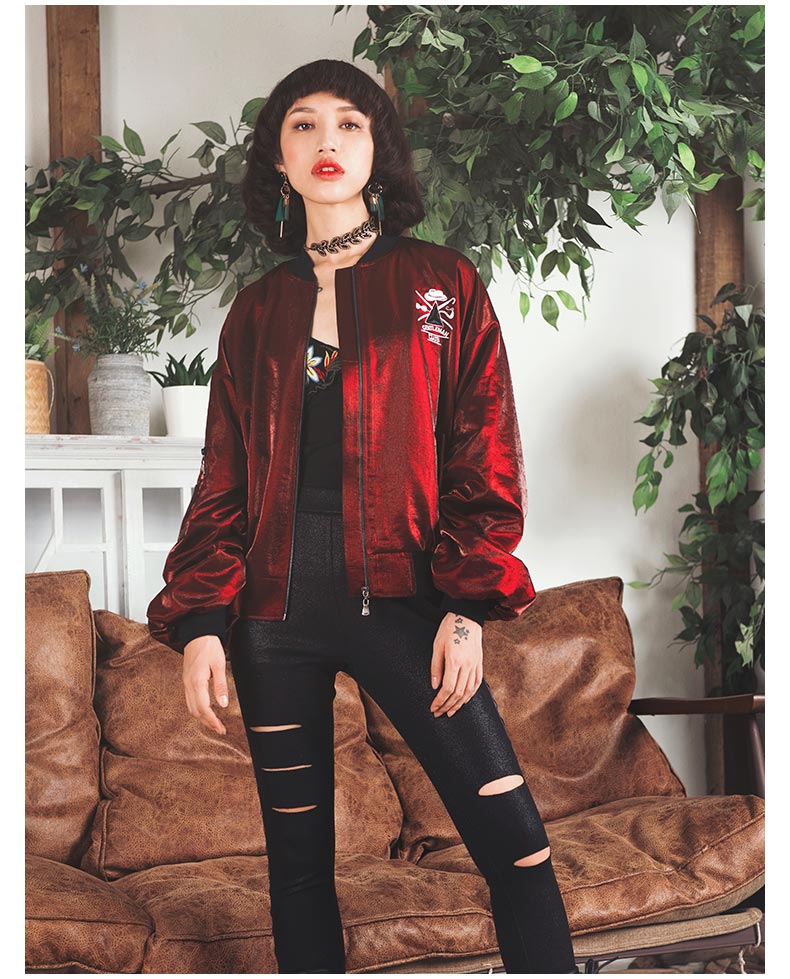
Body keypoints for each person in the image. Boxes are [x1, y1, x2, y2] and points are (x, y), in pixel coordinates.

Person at [147, 59, 578, 975]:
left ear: (378, 149)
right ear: (279, 158)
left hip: (408, 603)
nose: (327, 141)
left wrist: (467, 606)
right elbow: (223, 477)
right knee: (299, 872)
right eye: (303, 124)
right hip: (273, 620)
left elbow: (484, 447)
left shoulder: (441, 284)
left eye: (349, 123)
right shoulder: (257, 311)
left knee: (518, 847)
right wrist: (201, 621)